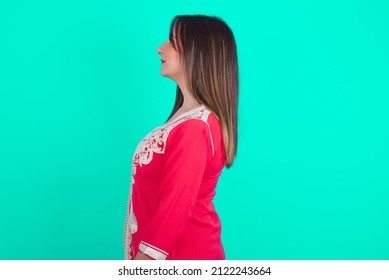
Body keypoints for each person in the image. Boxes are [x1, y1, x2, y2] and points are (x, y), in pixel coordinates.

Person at [123, 14, 239, 260]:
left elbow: (174, 209)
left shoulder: (196, 128)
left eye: (172, 42)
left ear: (198, 53)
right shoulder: (187, 119)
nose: (160, 49)